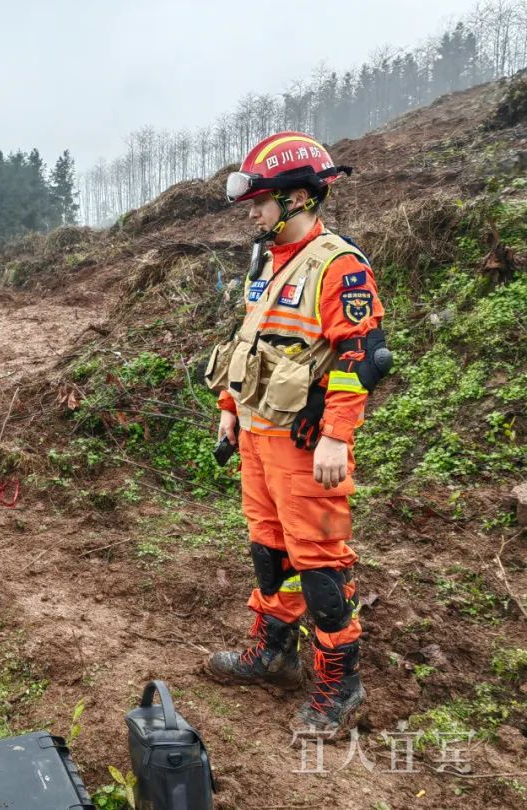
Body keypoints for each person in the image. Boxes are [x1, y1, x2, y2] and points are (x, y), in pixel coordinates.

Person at [203, 131, 391, 735]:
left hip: (307, 445)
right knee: (270, 551)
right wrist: (230, 406)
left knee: (322, 564)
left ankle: (341, 683)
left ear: (300, 198)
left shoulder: (340, 266)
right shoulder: (267, 259)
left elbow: (362, 355)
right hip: (258, 435)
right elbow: (249, 341)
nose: (251, 211)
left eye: (261, 200)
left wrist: (338, 433)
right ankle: (275, 653)